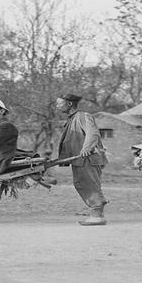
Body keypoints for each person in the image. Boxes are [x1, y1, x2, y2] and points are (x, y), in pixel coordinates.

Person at [55, 93, 109, 226]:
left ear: (69, 104)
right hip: (80, 160)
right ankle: (95, 212)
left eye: (59, 103)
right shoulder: (71, 119)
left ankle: (97, 216)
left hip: (88, 158)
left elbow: (93, 133)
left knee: (89, 185)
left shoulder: (83, 116)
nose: (57, 106)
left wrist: (87, 148)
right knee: (81, 184)